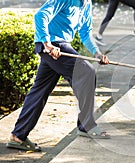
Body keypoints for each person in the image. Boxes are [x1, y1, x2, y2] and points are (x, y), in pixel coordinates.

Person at [6, 0, 110, 152]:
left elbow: (85, 32)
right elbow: (40, 15)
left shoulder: (86, 3)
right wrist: (47, 44)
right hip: (54, 46)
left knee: (39, 91)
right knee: (87, 73)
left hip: (59, 47)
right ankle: (86, 126)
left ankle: (18, 136)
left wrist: (97, 53)